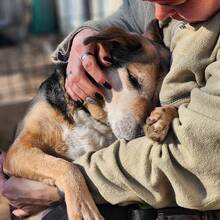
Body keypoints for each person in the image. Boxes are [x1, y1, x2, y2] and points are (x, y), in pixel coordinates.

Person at [1, 0, 220, 219]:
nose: (160, 15)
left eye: (177, 1)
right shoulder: (161, 14)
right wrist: (83, 37)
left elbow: (198, 154)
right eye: (133, 80)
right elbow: (128, 15)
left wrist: (63, 186)